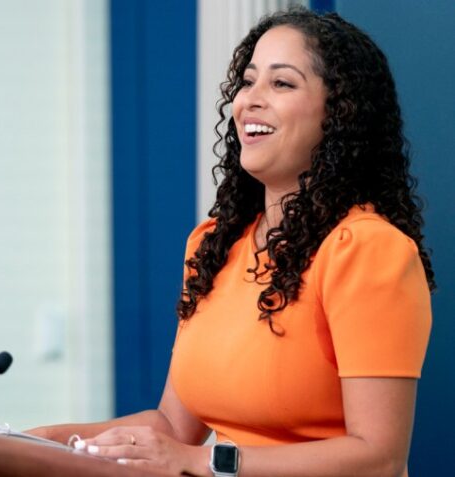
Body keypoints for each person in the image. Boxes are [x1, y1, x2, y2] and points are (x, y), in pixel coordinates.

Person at [28, 8, 433, 477]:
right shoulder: (213, 246)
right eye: (248, 81)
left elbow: (379, 458)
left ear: (340, 114)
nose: (250, 101)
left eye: (282, 83)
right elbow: (173, 428)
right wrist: (39, 441)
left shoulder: (368, 249)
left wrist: (205, 461)